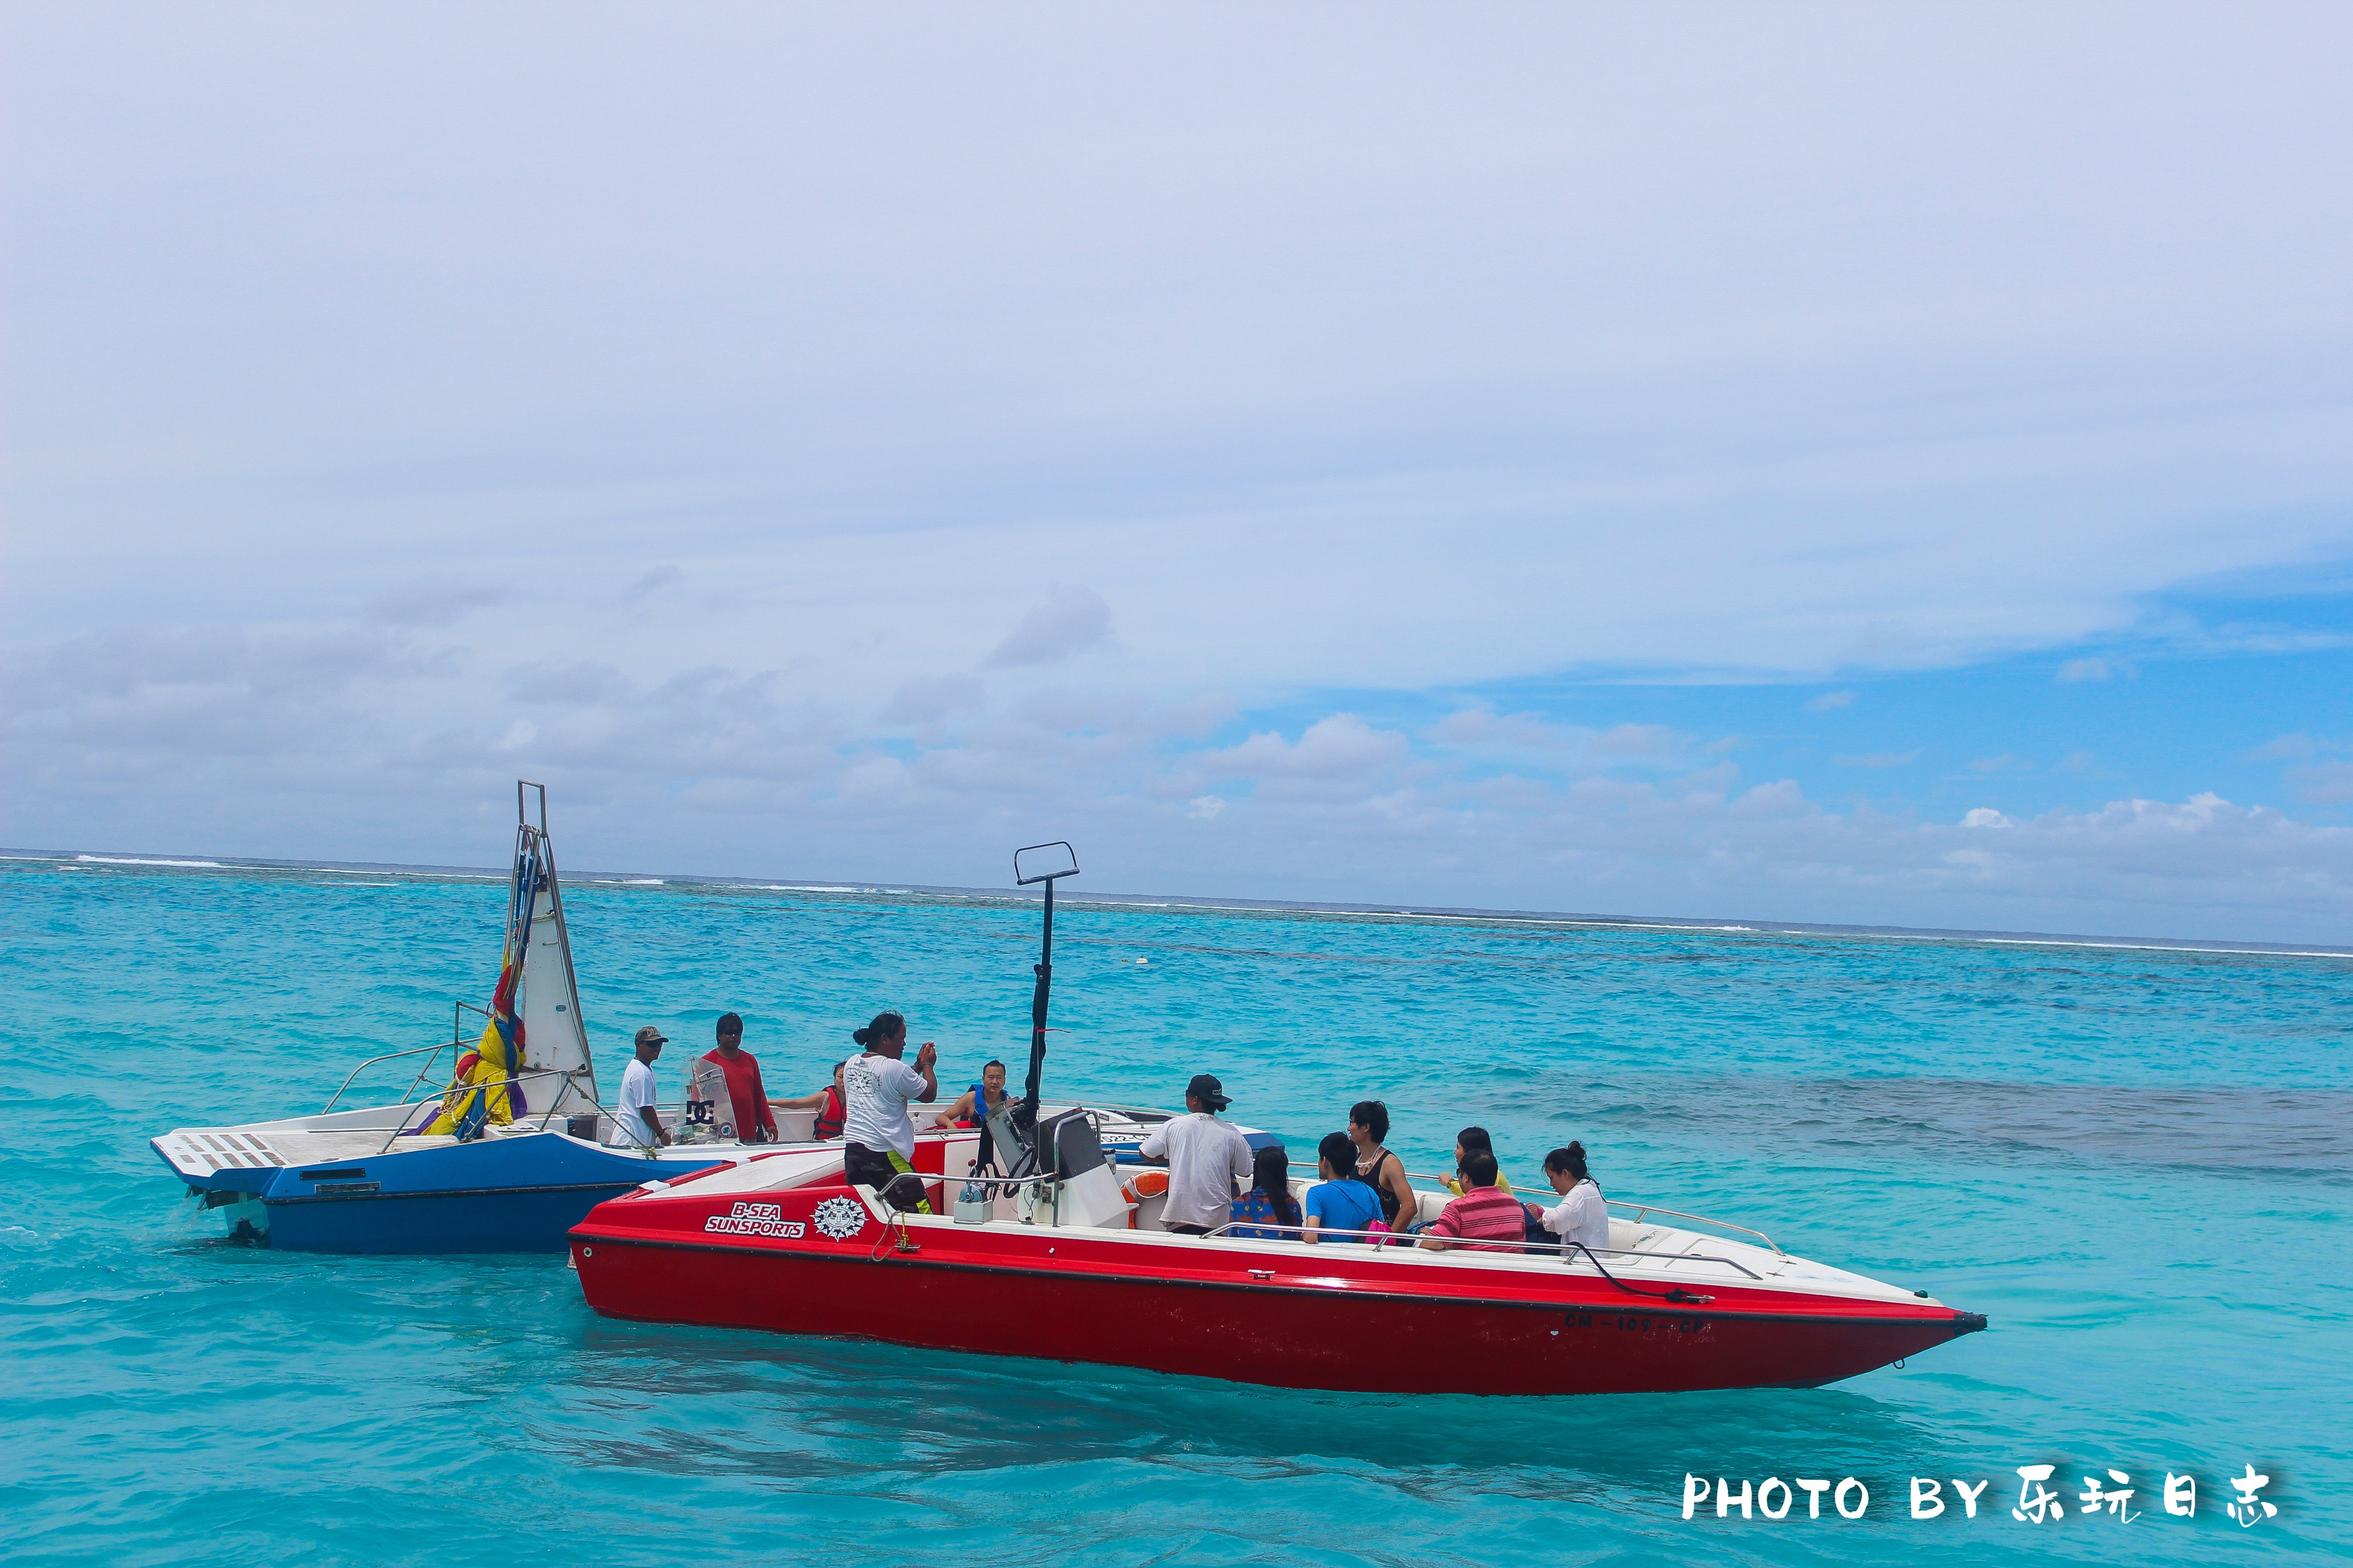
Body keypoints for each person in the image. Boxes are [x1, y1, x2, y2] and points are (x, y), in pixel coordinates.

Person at [841, 1011, 938, 1211]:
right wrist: (928, 1065)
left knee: (869, 1209)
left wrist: (918, 1066)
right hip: (883, 1152)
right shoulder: (894, 1068)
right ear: (885, 1039)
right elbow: (929, 1094)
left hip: (854, 1151)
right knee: (920, 1207)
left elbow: (895, 1080)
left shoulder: (852, 1062)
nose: (904, 1044)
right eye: (901, 1038)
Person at [1136, 1074, 1254, 1235]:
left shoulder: (1174, 1125)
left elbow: (1145, 1153)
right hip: (1216, 1219)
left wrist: (1172, 1156)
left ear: (1194, 1100)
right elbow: (1246, 1170)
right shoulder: (1231, 1133)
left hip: (1179, 1215)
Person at [1419, 1152, 1525, 1252]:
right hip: (1510, 1268)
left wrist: (1431, 1234)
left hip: (1474, 1267)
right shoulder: (1515, 1205)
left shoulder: (1457, 1208)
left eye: (1458, 1172)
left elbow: (1431, 1244)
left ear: (1466, 1178)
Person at [702, 1013, 777, 1143]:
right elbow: (698, 1100)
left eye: (737, 1032)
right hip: (720, 1133)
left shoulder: (750, 1060)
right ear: (719, 1035)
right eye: (729, 1032)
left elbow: (759, 1094)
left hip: (749, 1131)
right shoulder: (707, 1062)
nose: (733, 1036)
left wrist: (769, 1123)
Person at [1347, 1099, 1420, 1234]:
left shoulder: (1389, 1163)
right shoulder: (1355, 1159)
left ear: (1366, 1127)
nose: (1348, 1128)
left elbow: (1410, 1206)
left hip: (1382, 1242)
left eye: (1352, 1123)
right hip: (1358, 1239)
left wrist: (1388, 1240)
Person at [1527, 1141, 1609, 1256]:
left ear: (1565, 1174)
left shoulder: (1580, 1194)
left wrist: (1539, 1219)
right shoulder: (1591, 1188)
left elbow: (1554, 1220)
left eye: (1552, 1178)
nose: (1551, 1184)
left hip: (1583, 1263)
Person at [1301, 1132, 1385, 1244]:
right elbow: (1382, 1231)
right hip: (1362, 1256)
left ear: (1326, 1161)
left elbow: (1311, 1237)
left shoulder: (1316, 1194)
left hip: (1332, 1258)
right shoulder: (1369, 1191)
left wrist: (1302, 1235)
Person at [607, 1026, 671, 1150]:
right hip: (630, 1142)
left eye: (659, 1044)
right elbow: (646, 1109)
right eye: (652, 1044)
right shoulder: (641, 1073)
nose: (657, 1048)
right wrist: (662, 1134)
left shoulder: (642, 1068)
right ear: (639, 1045)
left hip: (634, 1141)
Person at [1227, 1144, 1300, 1239]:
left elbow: (1233, 1241)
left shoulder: (1238, 1205)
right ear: (1282, 1173)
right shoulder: (1292, 1205)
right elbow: (1296, 1240)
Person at [775, 1060, 849, 1140]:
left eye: (848, 1077)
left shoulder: (859, 1097)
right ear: (835, 1079)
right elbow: (796, 1104)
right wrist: (766, 1102)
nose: (844, 1081)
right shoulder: (825, 1097)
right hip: (825, 1143)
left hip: (849, 1143)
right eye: (841, 1077)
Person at [932, 1058, 1011, 1128]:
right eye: (991, 1078)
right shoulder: (971, 1098)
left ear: (1004, 1081)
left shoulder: (1008, 1100)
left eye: (999, 1078)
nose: (995, 1082)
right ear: (983, 1080)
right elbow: (941, 1117)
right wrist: (950, 1124)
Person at [1441, 1126, 1513, 1196]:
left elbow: (1476, 1195)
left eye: (1458, 1147)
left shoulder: (1493, 1177)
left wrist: (1450, 1183)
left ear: (1469, 1151)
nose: (1455, 1152)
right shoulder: (1486, 1173)